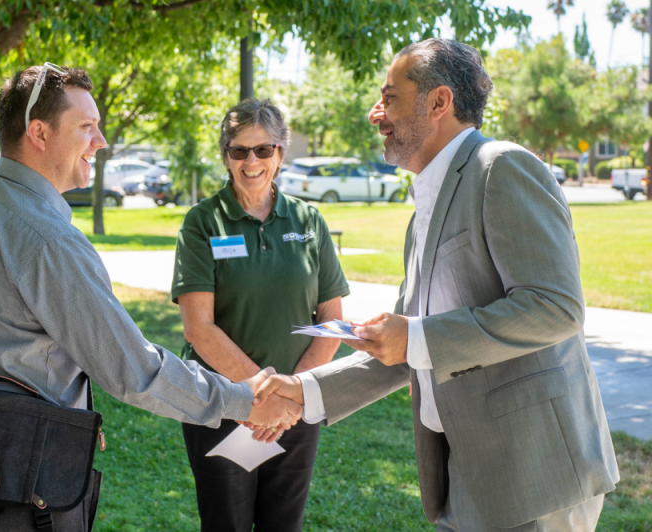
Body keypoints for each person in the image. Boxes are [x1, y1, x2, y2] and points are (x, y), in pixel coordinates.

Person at [0, 65, 301, 525]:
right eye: (87, 127)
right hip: (19, 491)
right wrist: (242, 399)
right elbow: (132, 369)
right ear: (38, 132)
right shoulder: (47, 239)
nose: (101, 142)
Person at [254, 39, 619, 532]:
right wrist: (302, 390)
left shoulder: (502, 167)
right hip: (461, 467)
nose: (374, 114)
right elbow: (406, 348)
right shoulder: (423, 209)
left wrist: (418, 337)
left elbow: (555, 307)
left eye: (390, 98)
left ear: (439, 102)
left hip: (534, 473)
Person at [171, 98, 350, 532]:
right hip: (222, 405)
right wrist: (258, 399)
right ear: (226, 156)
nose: (251, 161)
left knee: (284, 525)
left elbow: (333, 321)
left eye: (263, 149)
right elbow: (199, 328)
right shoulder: (203, 223)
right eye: (239, 150)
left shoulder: (309, 220)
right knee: (226, 524)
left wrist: (290, 396)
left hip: (296, 410)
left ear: (281, 154)